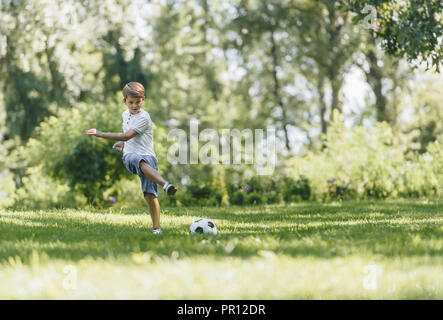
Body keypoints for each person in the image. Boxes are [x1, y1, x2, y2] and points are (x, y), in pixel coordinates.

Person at [85, 81, 176, 235]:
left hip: (148, 157)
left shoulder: (144, 117)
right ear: (125, 101)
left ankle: (157, 228)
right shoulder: (125, 114)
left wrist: (101, 134)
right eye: (131, 102)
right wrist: (121, 143)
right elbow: (127, 135)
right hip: (129, 156)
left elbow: (127, 135)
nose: (134, 106)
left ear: (143, 99)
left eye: (138, 102)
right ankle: (165, 184)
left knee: (150, 195)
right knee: (135, 159)